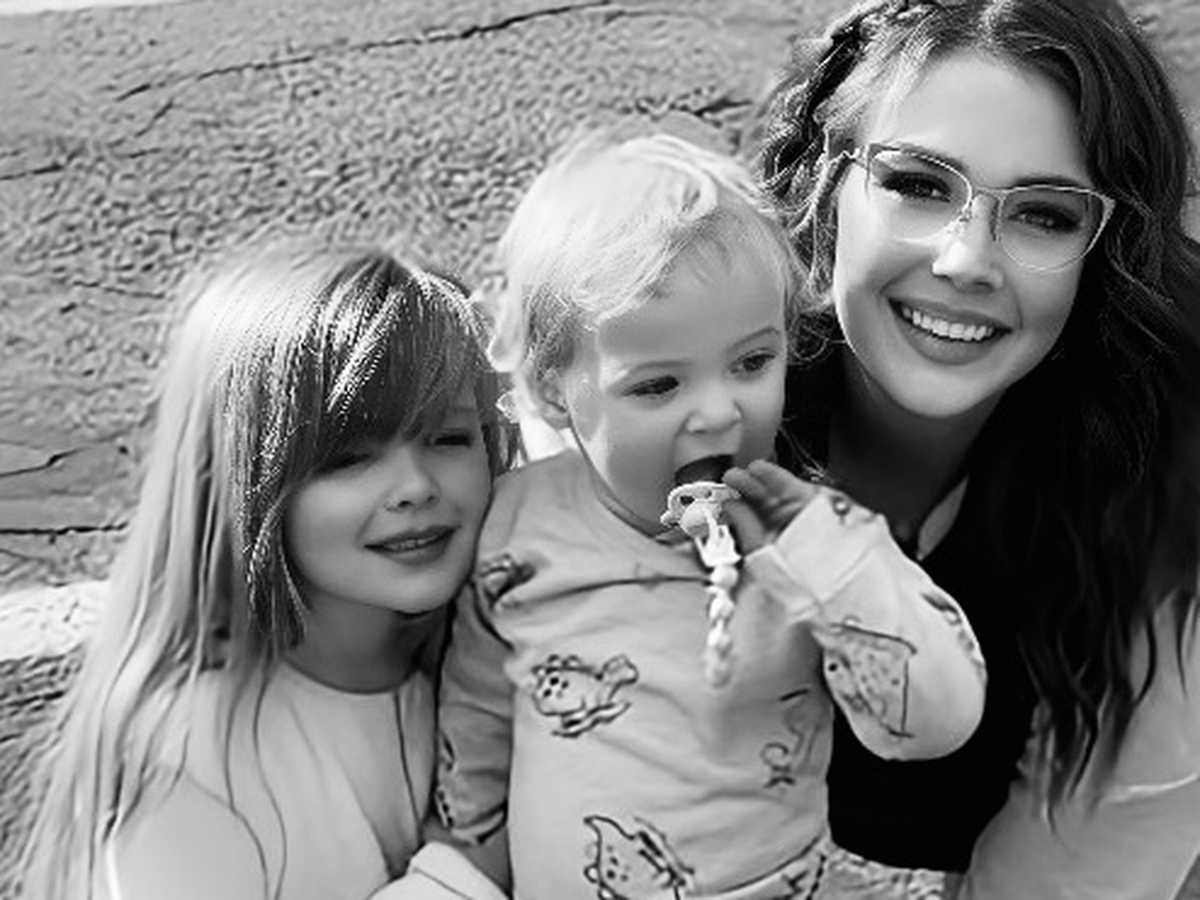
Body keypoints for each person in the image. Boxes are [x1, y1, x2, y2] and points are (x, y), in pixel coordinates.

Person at [416, 130, 988, 900]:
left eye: (752, 362)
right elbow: (478, 713)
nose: (719, 413)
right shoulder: (518, 526)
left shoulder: (817, 539)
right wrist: (462, 864)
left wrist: (832, 565)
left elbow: (934, 723)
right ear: (553, 391)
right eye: (658, 386)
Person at [754, 0, 1200, 897]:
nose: (965, 261)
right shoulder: (700, 365)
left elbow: (1093, 851)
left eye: (1046, 214)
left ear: (1108, 251)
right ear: (828, 183)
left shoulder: (1172, 450)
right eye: (919, 184)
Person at [18, 242, 514, 900]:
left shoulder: (505, 664)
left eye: (449, 437)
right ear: (240, 479)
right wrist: (465, 873)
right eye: (349, 456)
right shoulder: (184, 749)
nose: (415, 486)